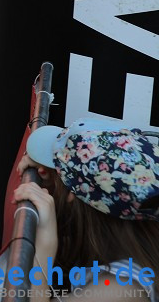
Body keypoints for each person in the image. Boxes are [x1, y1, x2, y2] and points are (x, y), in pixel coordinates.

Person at [14, 119, 159, 299]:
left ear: (74, 195)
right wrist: (54, 176)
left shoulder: (119, 289)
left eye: (57, 172)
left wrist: (45, 242)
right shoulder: (134, 246)